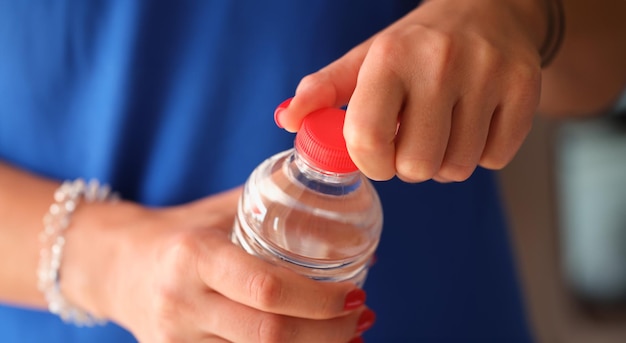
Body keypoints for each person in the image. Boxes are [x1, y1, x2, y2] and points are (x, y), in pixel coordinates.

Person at [0, 0, 624, 342]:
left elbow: (602, 66)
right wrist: (107, 261)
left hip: (434, 301)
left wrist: (513, 12)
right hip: (70, 302)